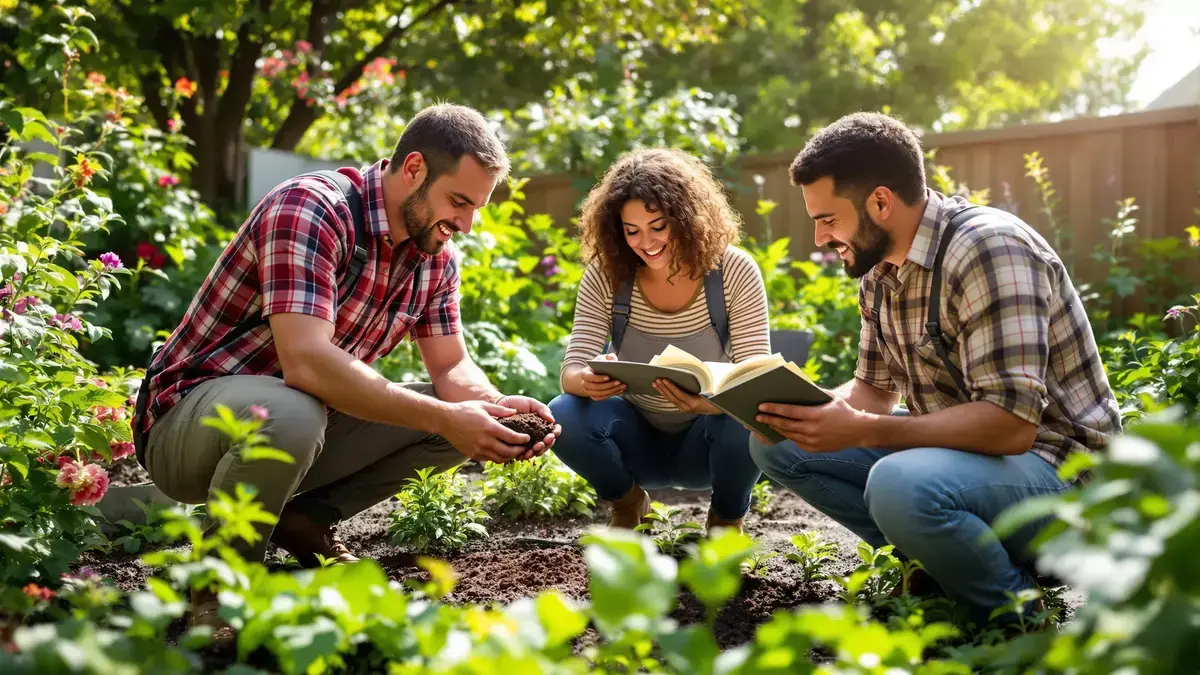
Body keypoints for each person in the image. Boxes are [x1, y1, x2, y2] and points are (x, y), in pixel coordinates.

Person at [131, 104, 560, 626]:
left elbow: (451, 368)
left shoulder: (435, 258)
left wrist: (493, 409)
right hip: (188, 425)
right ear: (414, 169)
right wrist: (446, 414)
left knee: (456, 415)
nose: (467, 224)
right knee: (297, 412)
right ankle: (220, 587)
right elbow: (307, 363)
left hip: (294, 420)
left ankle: (304, 522)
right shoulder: (313, 210)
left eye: (476, 208)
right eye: (459, 202)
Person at [748, 111, 1120, 628]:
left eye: (827, 219)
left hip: (1063, 481)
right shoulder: (878, 273)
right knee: (776, 442)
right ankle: (942, 562)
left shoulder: (989, 249)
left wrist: (867, 431)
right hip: (972, 466)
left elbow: (1012, 426)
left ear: (880, 202)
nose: (818, 238)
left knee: (900, 484)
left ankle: (1019, 619)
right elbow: (871, 393)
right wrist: (776, 409)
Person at [549, 148, 771, 534]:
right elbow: (572, 367)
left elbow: (757, 377)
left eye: (658, 226)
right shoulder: (608, 274)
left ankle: (726, 519)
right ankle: (628, 501)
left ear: (686, 219)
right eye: (631, 231)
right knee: (563, 413)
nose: (646, 242)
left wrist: (711, 404)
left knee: (746, 419)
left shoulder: (733, 270)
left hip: (708, 440)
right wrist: (584, 381)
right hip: (637, 439)